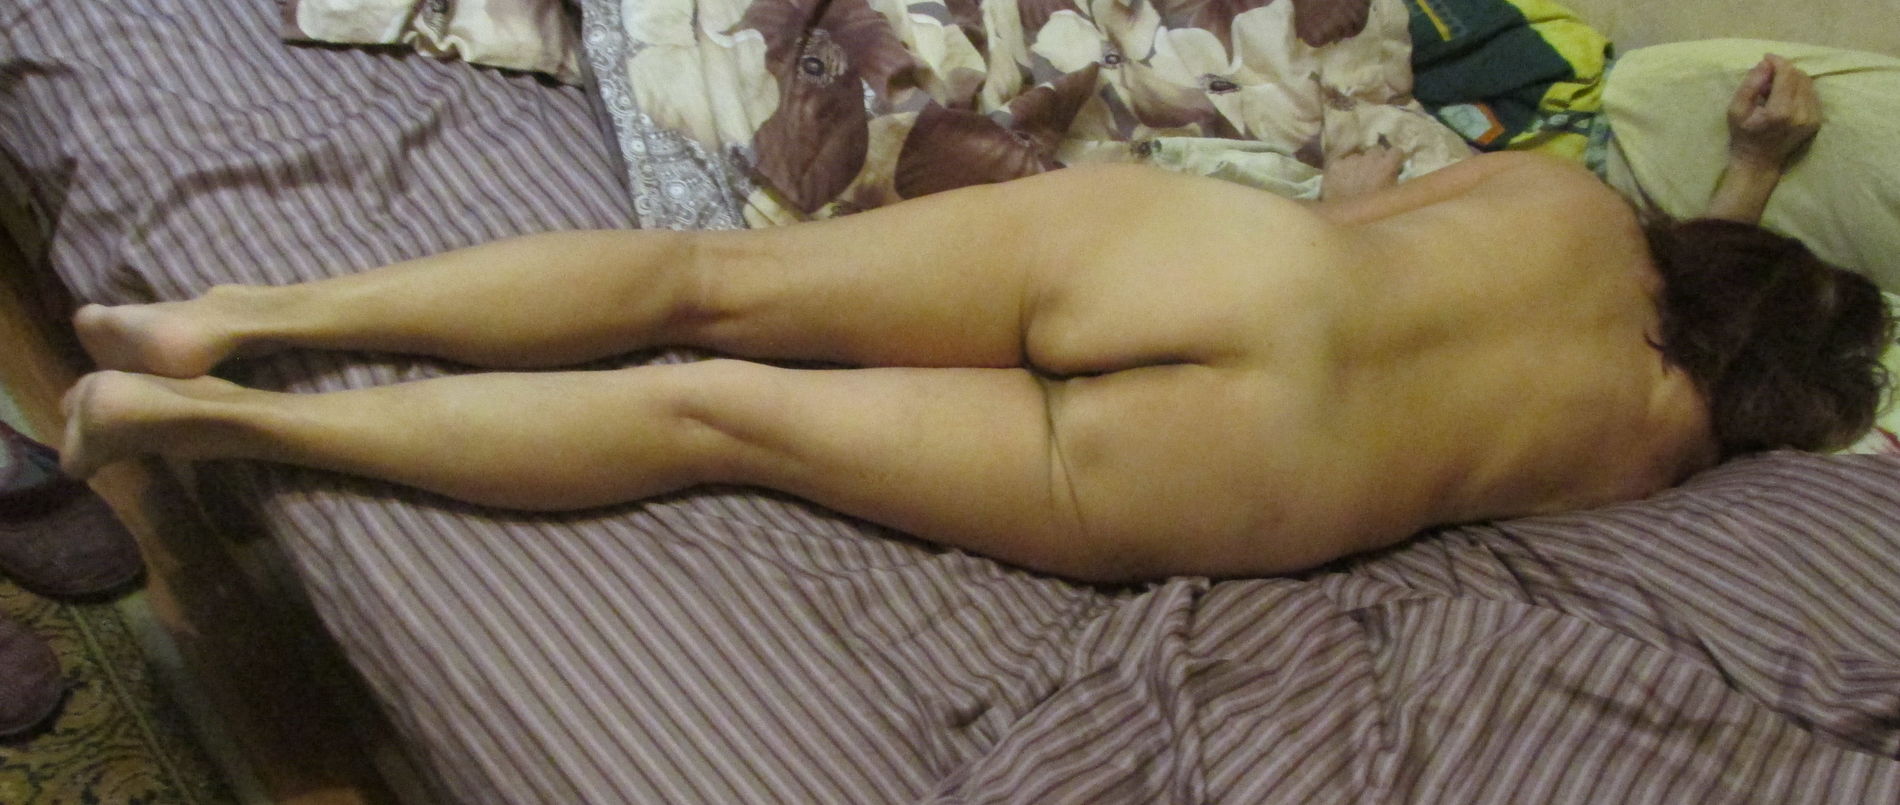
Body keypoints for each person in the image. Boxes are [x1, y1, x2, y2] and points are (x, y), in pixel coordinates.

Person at [55, 55, 1892, 584]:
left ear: (1708, 250)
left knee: (714, 285)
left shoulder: (1569, 205)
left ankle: (228, 319)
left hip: (1233, 271)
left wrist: (1743, 173)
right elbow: (1692, 353)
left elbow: (1356, 208)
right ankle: (207, 428)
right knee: (711, 413)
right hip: (1257, 469)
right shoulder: (1660, 451)